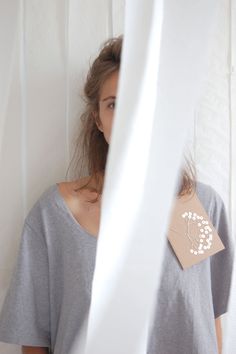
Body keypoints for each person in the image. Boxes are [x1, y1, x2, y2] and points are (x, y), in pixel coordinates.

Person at [0, 35, 234, 354]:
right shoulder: (55, 216)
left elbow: (210, 318)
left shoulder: (198, 208)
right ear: (98, 118)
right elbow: (34, 344)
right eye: (114, 104)